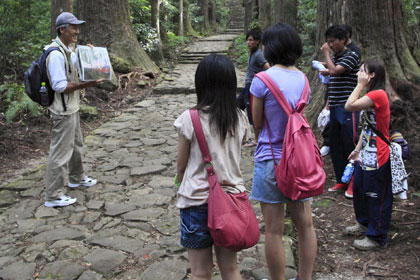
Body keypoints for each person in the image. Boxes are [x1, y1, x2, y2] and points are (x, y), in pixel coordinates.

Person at [250, 23, 317, 280]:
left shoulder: (262, 80)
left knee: (274, 230)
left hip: (271, 159)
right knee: (306, 225)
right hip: (300, 160)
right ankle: (305, 277)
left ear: (270, 47)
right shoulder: (303, 79)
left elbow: (257, 123)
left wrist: (263, 140)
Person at [174, 54, 250, 280]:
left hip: (196, 200)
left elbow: (181, 165)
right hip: (231, 200)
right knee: (231, 269)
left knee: (200, 273)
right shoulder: (239, 117)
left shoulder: (190, 118)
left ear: (201, 83)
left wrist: (179, 180)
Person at [44, 12, 103, 208]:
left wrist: (91, 55)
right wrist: (85, 85)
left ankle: (77, 177)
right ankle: (53, 195)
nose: (77, 31)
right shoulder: (55, 54)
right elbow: (60, 86)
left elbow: (79, 68)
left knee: (76, 146)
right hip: (63, 110)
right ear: (62, 29)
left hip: (72, 107)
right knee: (61, 152)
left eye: (78, 27)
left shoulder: (68, 50)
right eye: (73, 27)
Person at [344, 59, 391, 250]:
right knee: (360, 190)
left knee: (376, 195)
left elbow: (349, 105)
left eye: (362, 71)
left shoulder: (378, 94)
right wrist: (357, 150)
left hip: (378, 155)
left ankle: (376, 236)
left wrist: (359, 85)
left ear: (371, 75)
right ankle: (363, 223)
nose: (358, 73)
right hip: (366, 154)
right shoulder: (371, 94)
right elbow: (367, 126)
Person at [320, 25, 360, 199]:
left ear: (343, 40)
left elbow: (335, 71)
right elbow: (333, 70)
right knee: (335, 144)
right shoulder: (337, 56)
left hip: (347, 107)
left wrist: (327, 55)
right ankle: (342, 180)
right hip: (335, 106)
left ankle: (355, 182)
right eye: (328, 42)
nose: (330, 45)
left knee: (349, 144)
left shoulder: (351, 55)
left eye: (332, 42)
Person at [238, 28, 270, 147]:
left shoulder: (258, 55)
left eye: (251, 40)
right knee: (238, 105)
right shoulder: (252, 52)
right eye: (247, 40)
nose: (248, 42)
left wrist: (261, 80)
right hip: (248, 85)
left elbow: (267, 67)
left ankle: (257, 139)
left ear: (257, 42)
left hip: (253, 86)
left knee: (252, 111)